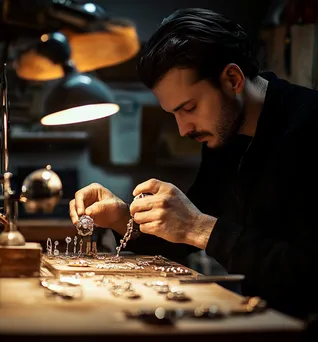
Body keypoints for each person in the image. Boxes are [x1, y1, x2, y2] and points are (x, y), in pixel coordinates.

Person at [69, 8, 318, 319]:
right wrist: (123, 218)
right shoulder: (224, 135)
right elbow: (182, 236)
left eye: (189, 107)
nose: (183, 130)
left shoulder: (309, 128)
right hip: (266, 320)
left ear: (232, 79)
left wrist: (199, 227)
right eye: (174, 114)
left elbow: (307, 272)